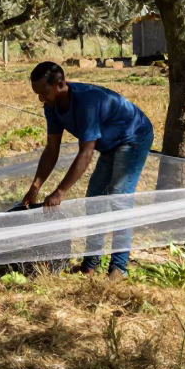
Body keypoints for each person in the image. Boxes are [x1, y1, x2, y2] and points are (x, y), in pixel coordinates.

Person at [19, 61, 154, 279]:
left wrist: (60, 191)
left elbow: (86, 154)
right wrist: (36, 186)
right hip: (109, 143)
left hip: (133, 136)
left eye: (44, 92)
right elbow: (52, 149)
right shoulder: (51, 107)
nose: (41, 99)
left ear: (61, 83)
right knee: (94, 199)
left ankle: (118, 269)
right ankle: (90, 265)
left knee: (119, 198)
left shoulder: (86, 102)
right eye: (37, 94)